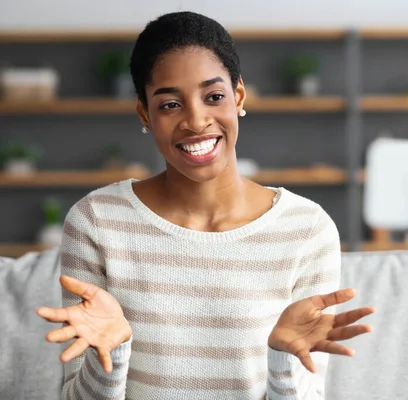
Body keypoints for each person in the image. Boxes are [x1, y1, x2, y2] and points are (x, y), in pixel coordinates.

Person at [36, 11, 375, 399]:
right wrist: (108, 357)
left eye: (214, 97)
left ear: (239, 97)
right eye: (169, 105)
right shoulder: (96, 220)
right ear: (145, 113)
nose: (196, 121)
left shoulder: (306, 228)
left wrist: (282, 363)